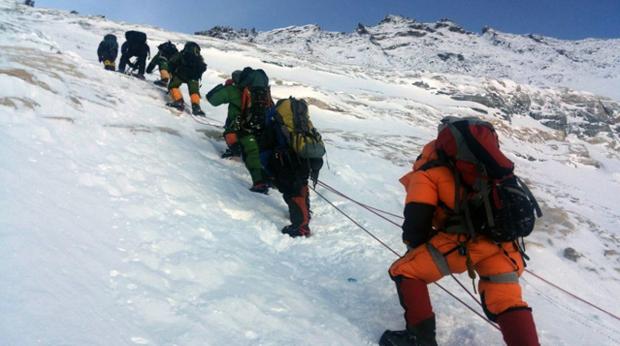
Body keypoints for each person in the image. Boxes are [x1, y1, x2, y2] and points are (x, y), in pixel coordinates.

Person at [380, 138, 540, 346]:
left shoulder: (428, 173)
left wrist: (415, 246)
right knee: (506, 299)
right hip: (505, 245)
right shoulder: (491, 169)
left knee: (406, 271)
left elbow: (416, 221)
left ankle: (419, 341)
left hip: (463, 243)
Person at [261, 97, 323, 237]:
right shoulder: (301, 123)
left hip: (285, 162)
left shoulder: (276, 123)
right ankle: (305, 215)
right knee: (301, 186)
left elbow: (265, 149)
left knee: (292, 191)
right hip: (303, 159)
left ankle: (301, 226)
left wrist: (268, 170)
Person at [206, 67, 272, 193]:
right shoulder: (263, 92)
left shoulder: (233, 90)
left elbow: (212, 99)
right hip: (260, 127)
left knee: (248, 150)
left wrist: (224, 86)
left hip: (241, 129)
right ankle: (269, 177)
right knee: (255, 150)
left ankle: (259, 182)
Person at [166, 41, 207, 116]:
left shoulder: (182, 54)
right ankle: (196, 107)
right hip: (195, 77)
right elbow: (203, 67)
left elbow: (171, 62)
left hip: (181, 74)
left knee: (173, 86)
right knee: (194, 91)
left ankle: (178, 101)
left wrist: (171, 71)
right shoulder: (199, 57)